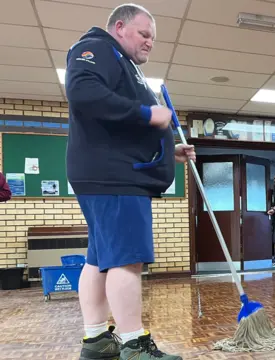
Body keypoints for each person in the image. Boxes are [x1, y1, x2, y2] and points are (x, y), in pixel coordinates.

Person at [65, 4, 195, 360]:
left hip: (107, 173)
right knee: (126, 260)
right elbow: (83, 92)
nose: (150, 42)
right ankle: (134, 345)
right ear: (119, 27)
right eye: (144, 33)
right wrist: (147, 112)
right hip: (115, 177)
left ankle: (96, 340)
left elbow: (121, 127)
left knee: (100, 258)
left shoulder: (121, 64)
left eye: (152, 37)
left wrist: (170, 150)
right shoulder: (97, 49)